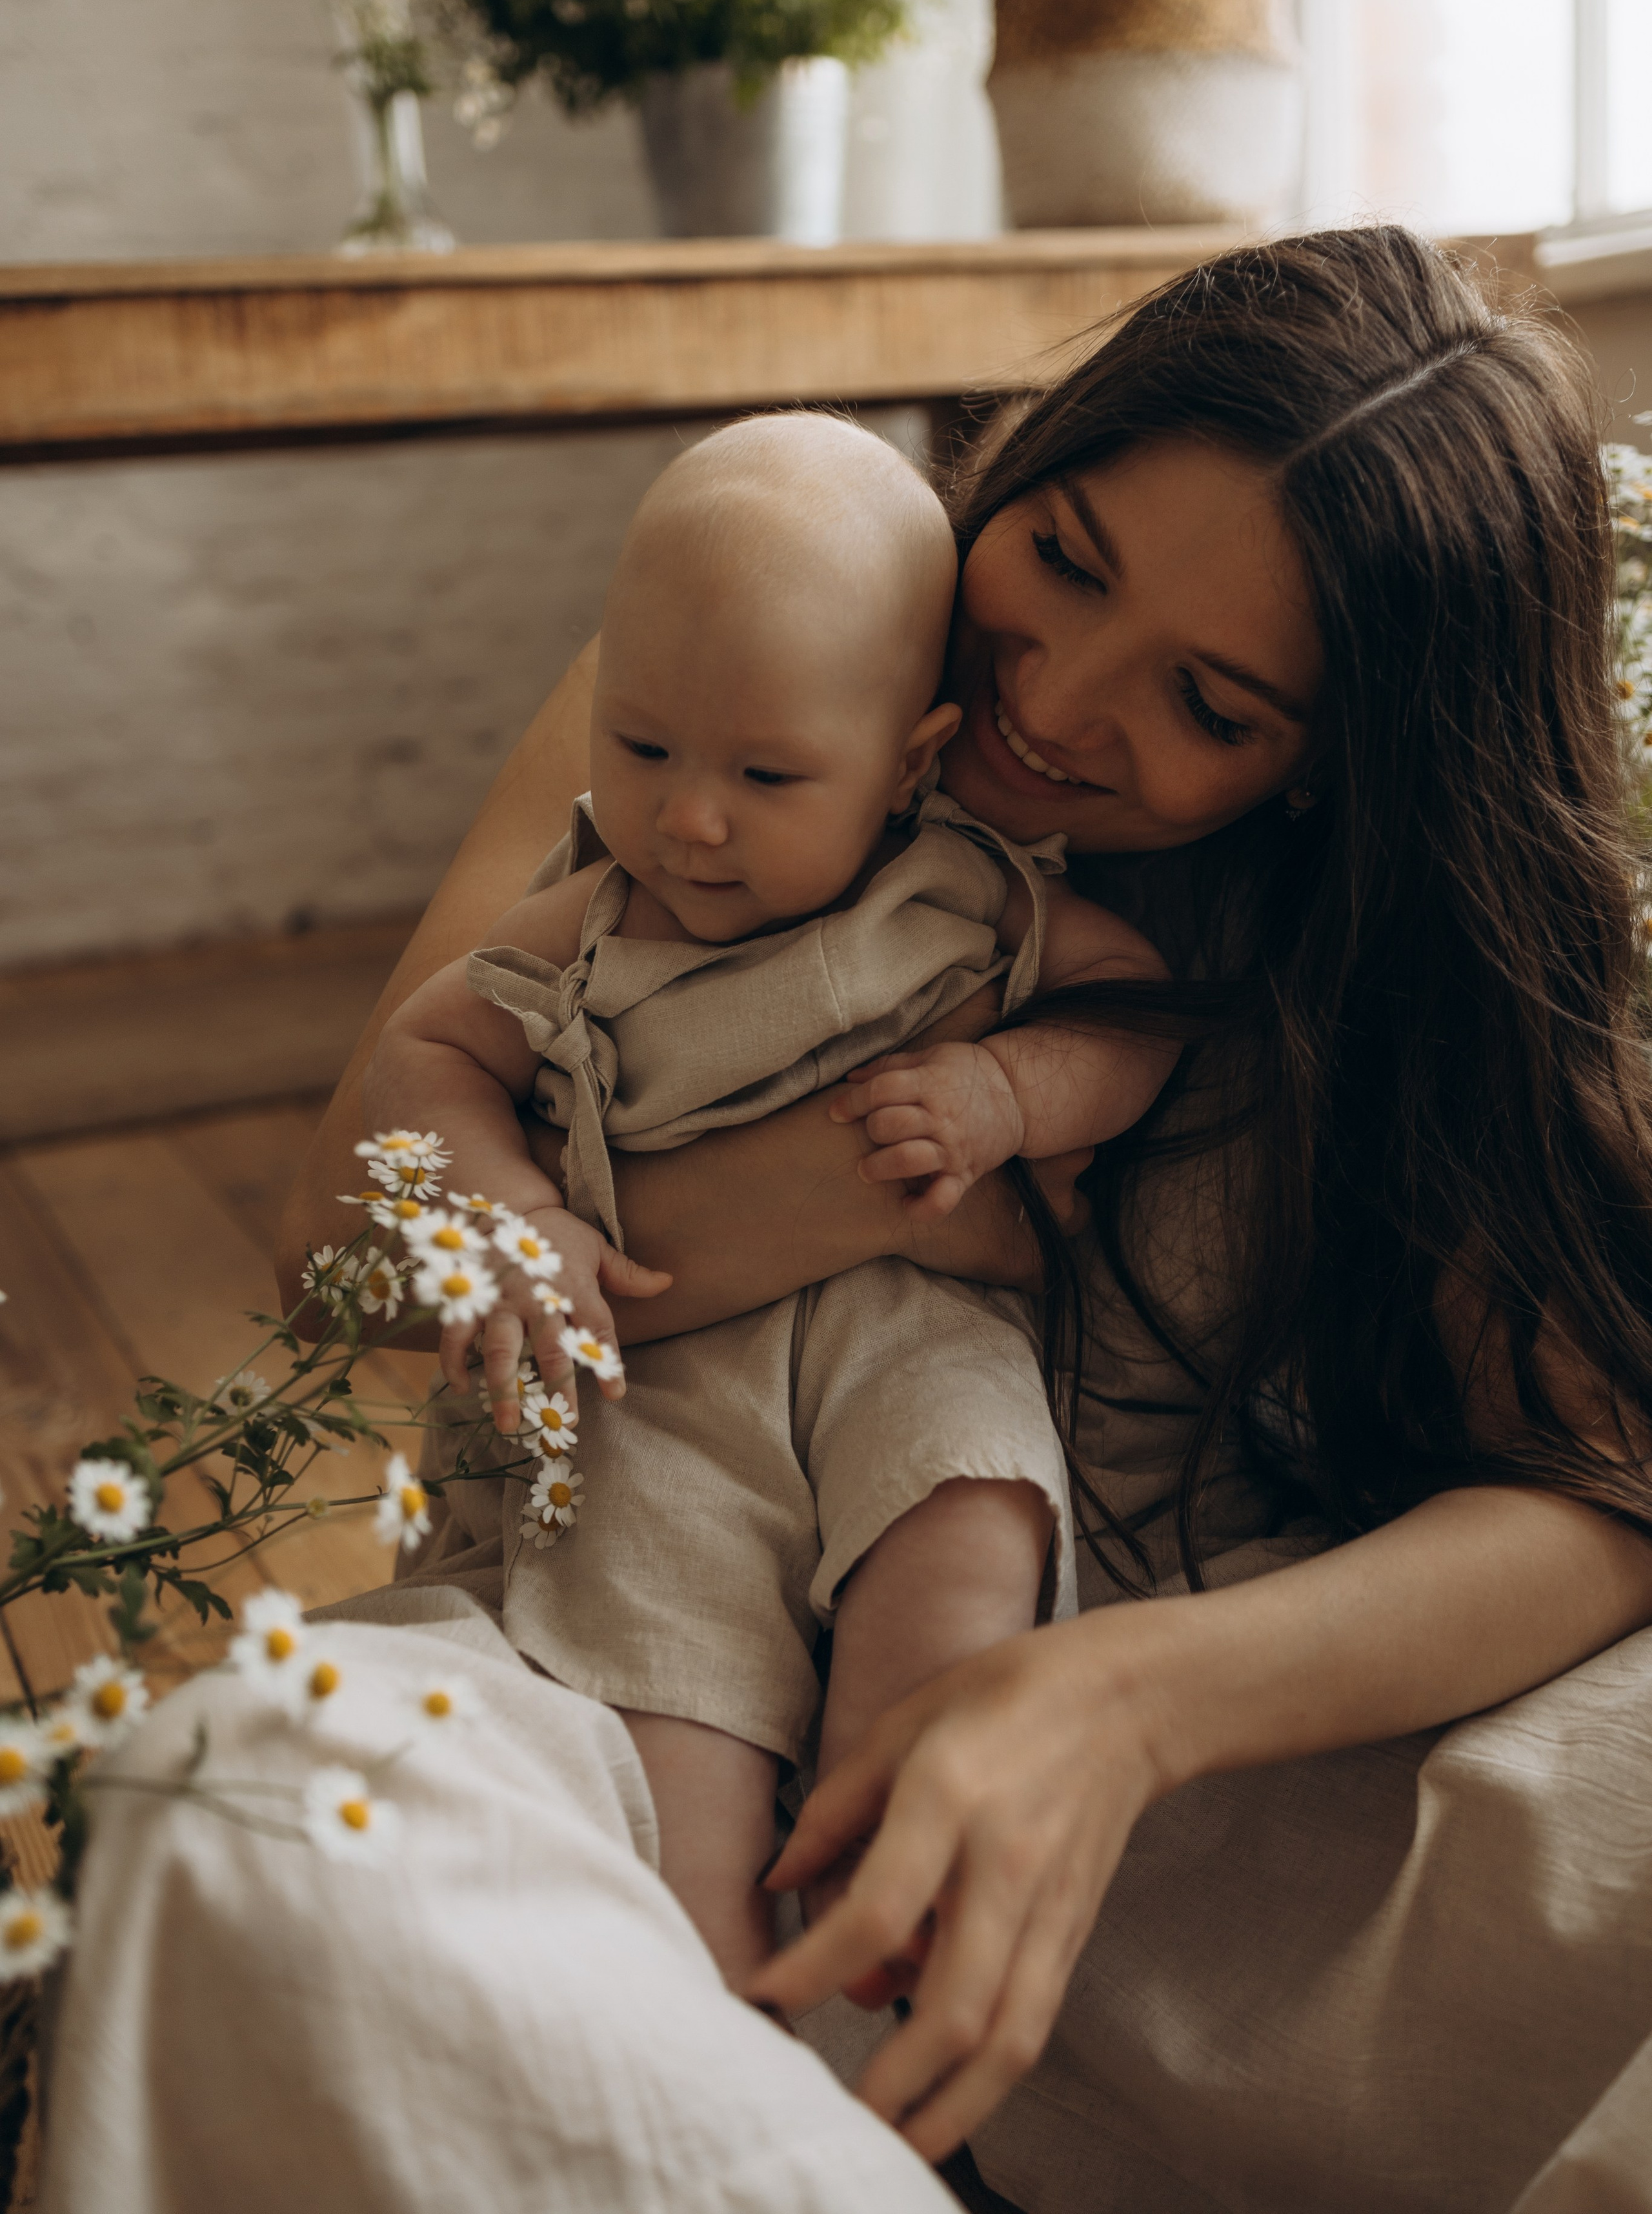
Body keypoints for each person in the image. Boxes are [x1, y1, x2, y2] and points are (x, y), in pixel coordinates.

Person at [41, 226, 1652, 2214]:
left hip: (1189, 1772)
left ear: (1341, 773)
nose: (1049, 702)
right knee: (234, 1809)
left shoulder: (1374, 959)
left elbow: (1599, 1490)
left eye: (1210, 704)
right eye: (1062, 557)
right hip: (653, 1629)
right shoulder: (752, 645)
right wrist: (852, 1189)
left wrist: (1120, 1702)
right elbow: (359, 1257)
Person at [359, 411, 1174, 1977]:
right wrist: (514, 1214)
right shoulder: (592, 919)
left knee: (967, 1521)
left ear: (907, 766)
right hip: (671, 1378)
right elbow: (426, 1049)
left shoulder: (966, 893)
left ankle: (884, 1832)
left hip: (913, 1324)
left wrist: (1012, 1092)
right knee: (676, 1695)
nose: (690, 818)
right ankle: (724, 1975)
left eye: (766, 771)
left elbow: (1136, 1010)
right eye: (644, 746)